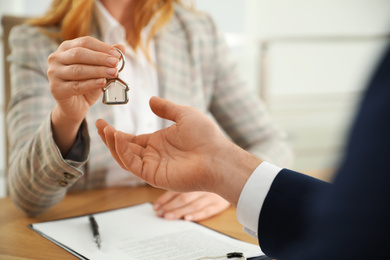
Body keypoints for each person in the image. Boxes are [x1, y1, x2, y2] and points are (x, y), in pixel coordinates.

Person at [96, 42, 390, 259]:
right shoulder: (52, 43)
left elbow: (358, 234)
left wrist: (221, 172)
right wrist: (65, 121)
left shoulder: (195, 32)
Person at [6, 0, 293, 219]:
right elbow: (27, 198)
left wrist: (233, 185)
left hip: (178, 225)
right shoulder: (35, 41)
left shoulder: (198, 32)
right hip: (82, 225)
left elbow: (274, 143)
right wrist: (66, 117)